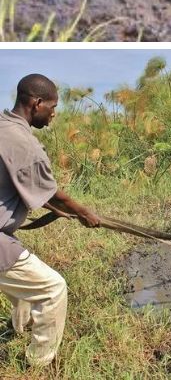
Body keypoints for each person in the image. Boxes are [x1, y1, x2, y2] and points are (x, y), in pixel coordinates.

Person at [0, 74, 102, 368]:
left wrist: (54, 206)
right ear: (37, 103)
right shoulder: (25, 144)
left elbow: (20, 181)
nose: (54, 114)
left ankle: (18, 329)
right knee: (52, 287)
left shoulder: (4, 127)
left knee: (21, 284)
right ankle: (39, 364)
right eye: (53, 107)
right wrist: (84, 213)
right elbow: (54, 194)